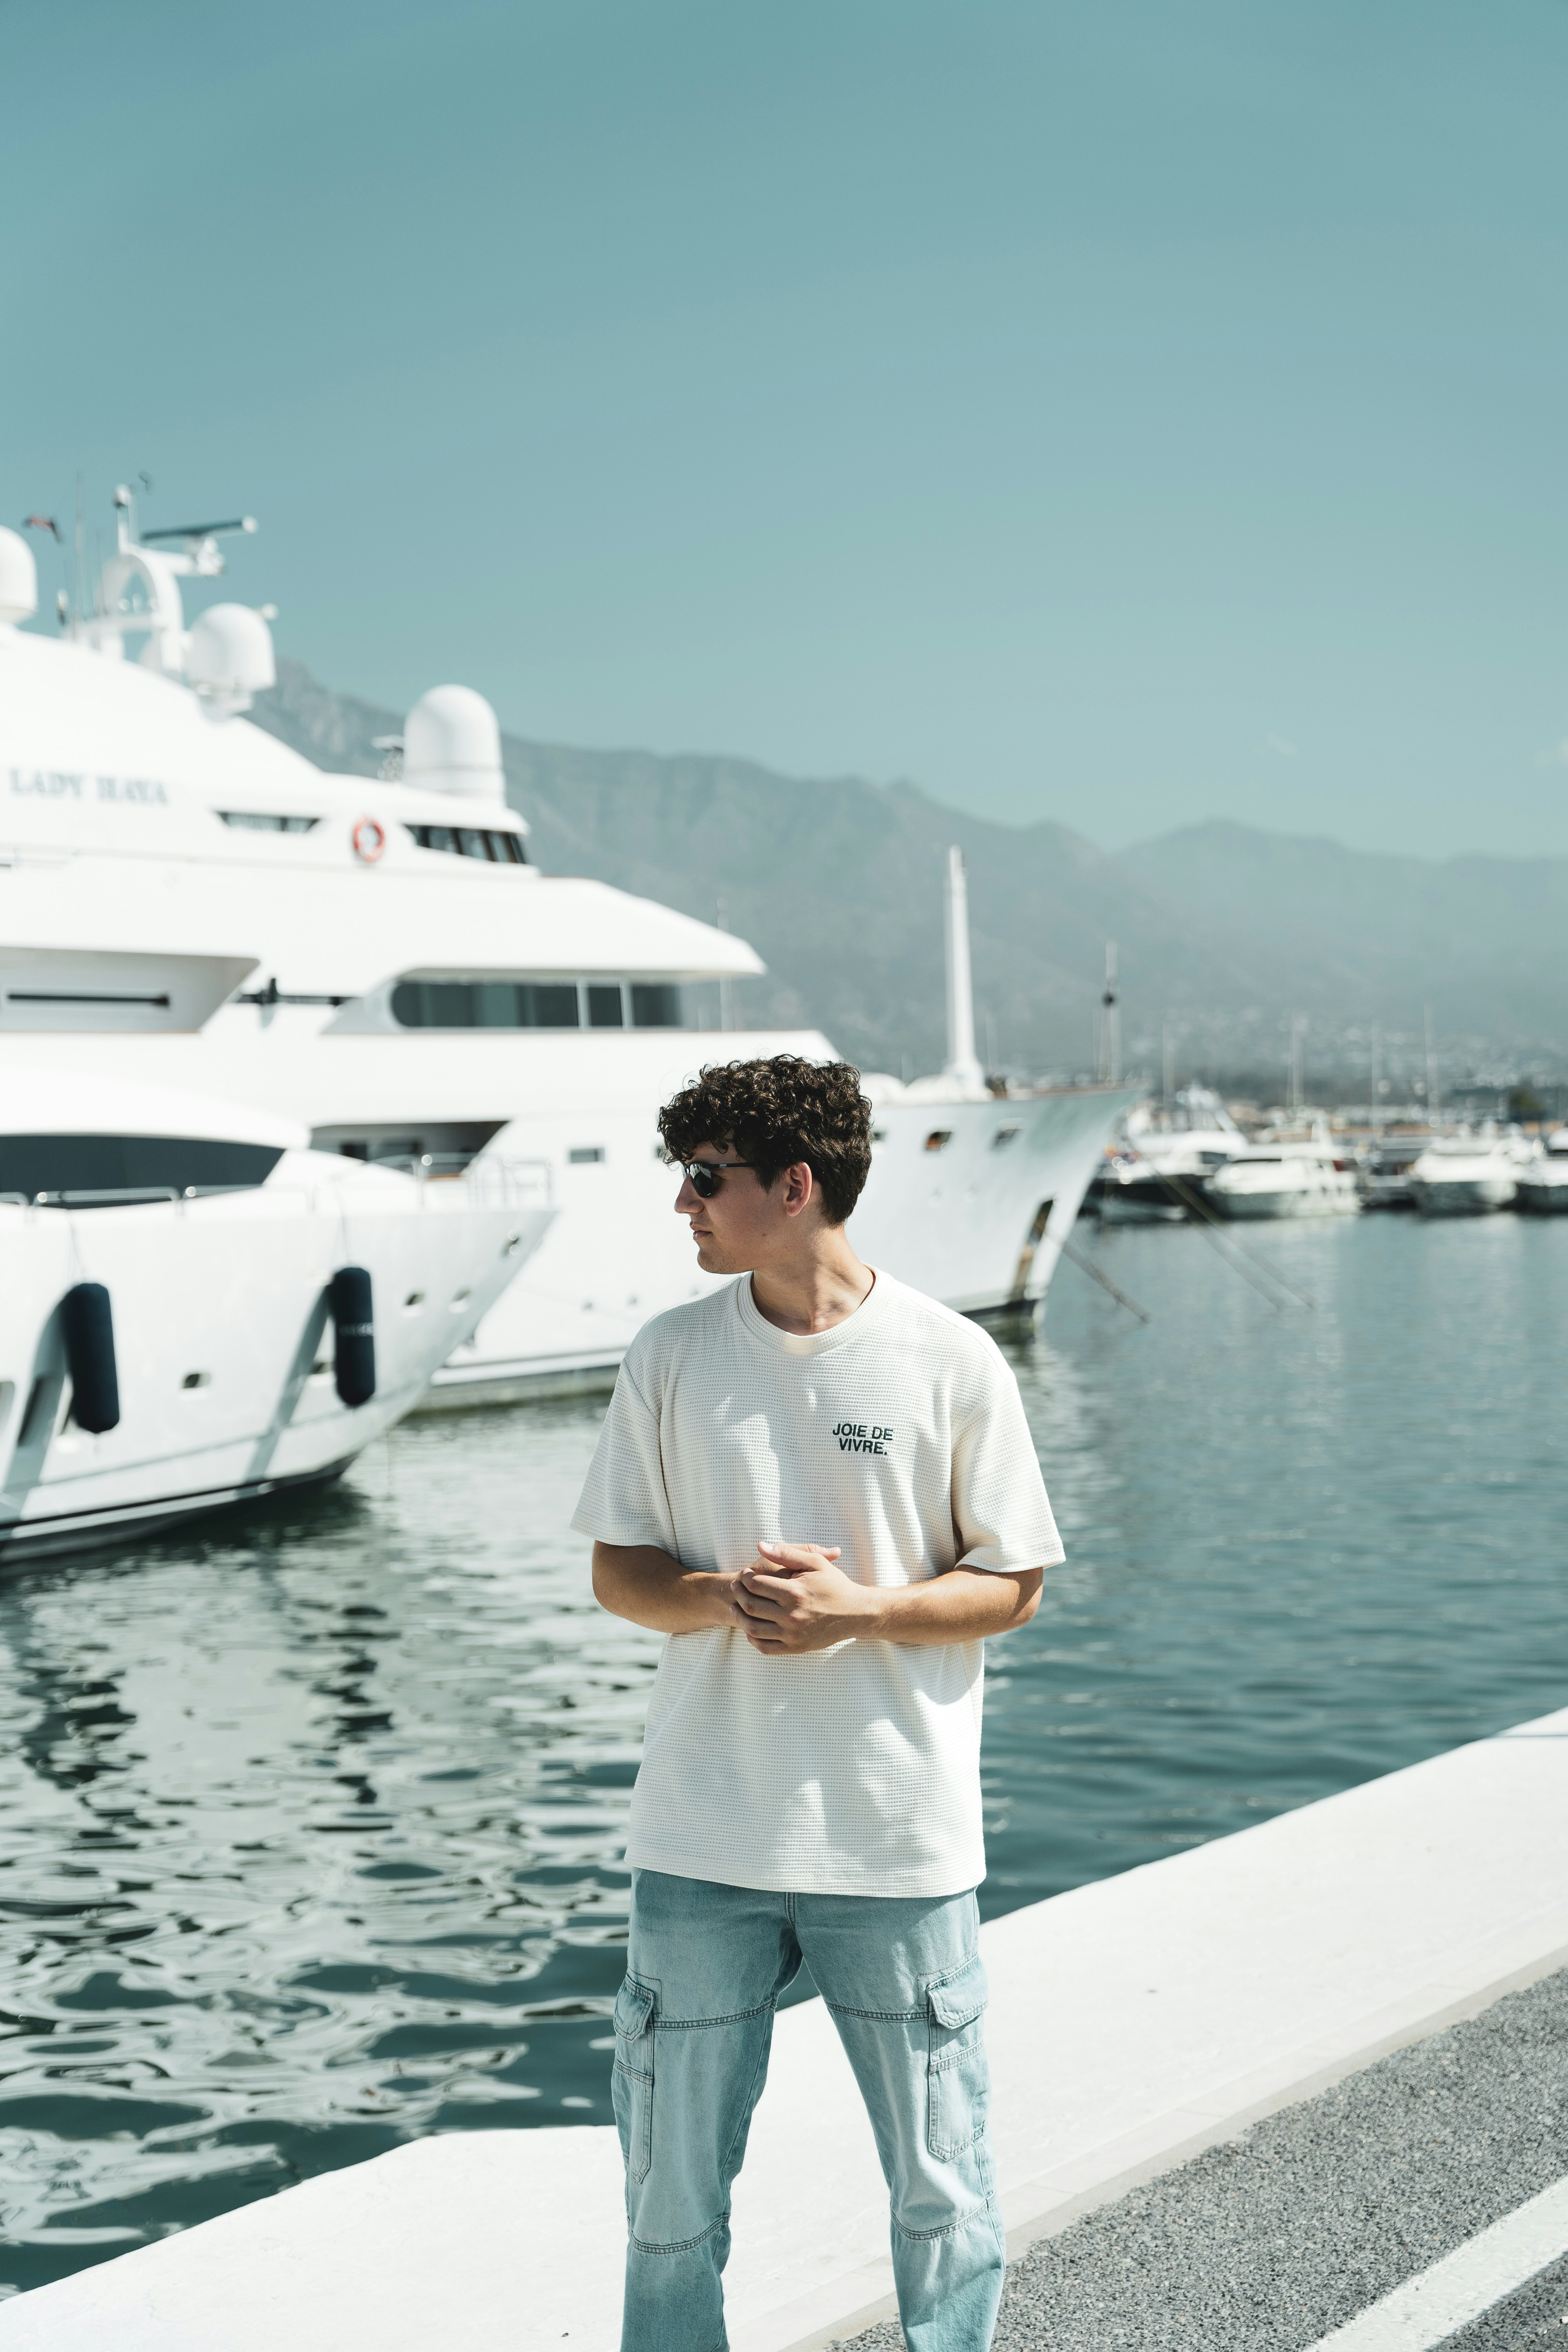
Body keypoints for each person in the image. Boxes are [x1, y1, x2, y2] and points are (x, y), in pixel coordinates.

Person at [573, 1053, 1063, 2352]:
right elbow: (621, 1573)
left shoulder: (951, 1361)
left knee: (941, 2191)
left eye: (704, 1179)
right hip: (700, 1839)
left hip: (894, 1841)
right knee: (670, 2200)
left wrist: (863, 1611)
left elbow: (1013, 1583)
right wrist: (726, 1598)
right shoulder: (671, 1356)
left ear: (794, 1187)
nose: (683, 1204)